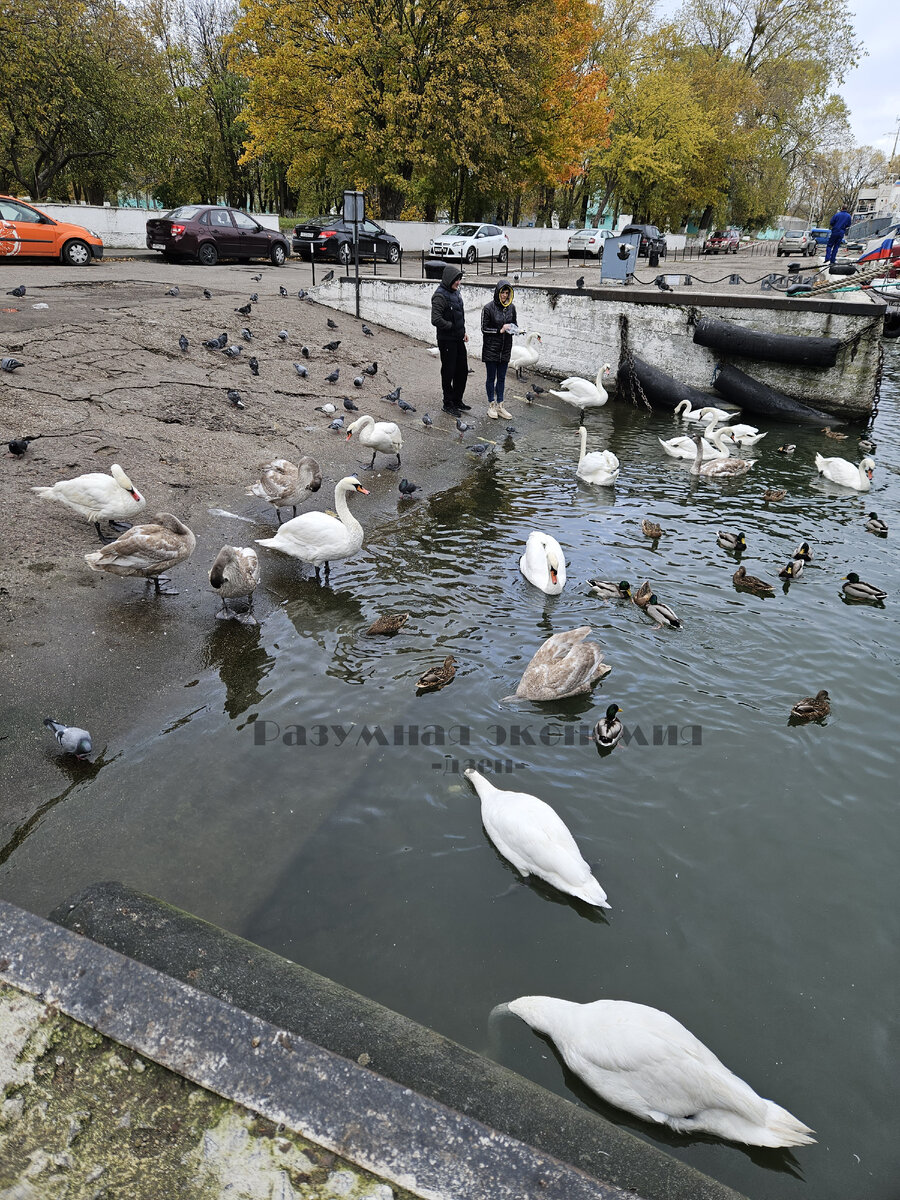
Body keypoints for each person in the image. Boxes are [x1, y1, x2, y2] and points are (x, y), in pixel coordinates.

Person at [430, 264, 471, 414]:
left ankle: (457, 400)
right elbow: (435, 319)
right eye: (456, 279)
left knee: (462, 370)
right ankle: (448, 403)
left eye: (459, 279)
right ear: (449, 279)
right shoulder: (440, 295)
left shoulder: (455, 293)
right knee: (449, 372)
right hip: (447, 340)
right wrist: (451, 326)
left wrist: (463, 331)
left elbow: (460, 315)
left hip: (458, 339)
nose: (458, 282)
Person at [481, 278, 517, 419]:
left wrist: (516, 330)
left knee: (502, 378)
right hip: (491, 349)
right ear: (498, 292)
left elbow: (514, 324)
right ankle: (491, 404)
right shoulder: (488, 308)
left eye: (507, 293)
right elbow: (484, 329)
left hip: (505, 349)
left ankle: (500, 405)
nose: (505, 296)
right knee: (491, 378)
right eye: (503, 292)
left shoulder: (512, 308)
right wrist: (499, 330)